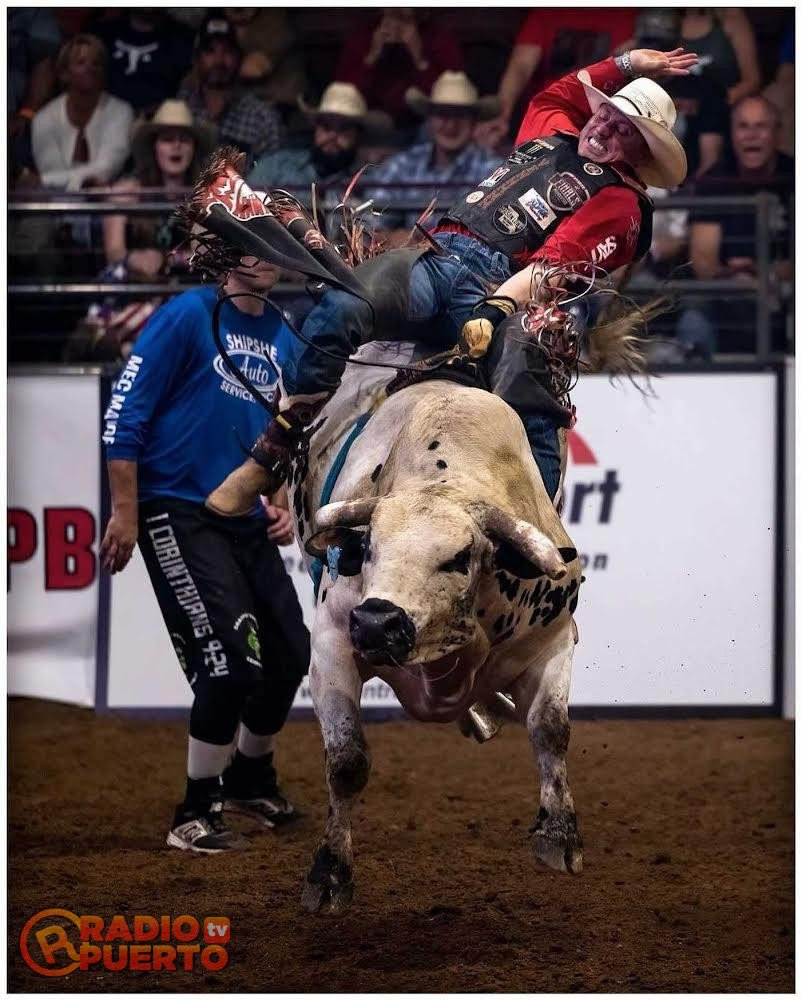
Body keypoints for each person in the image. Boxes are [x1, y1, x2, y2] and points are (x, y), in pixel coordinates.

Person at [194, 47, 697, 519]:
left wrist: (496, 309)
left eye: (623, 129)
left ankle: (538, 521)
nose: (604, 127)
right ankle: (273, 452)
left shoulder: (624, 204)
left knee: (527, 377)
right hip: (436, 258)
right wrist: (627, 64)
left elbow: (554, 266)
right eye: (605, 113)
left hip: (503, 287)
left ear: (641, 152)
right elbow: (560, 93)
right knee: (345, 305)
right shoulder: (554, 130)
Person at [100, 251, 310, 853]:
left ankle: (250, 778)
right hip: (177, 509)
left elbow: (284, 433)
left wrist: (281, 499)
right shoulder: (186, 315)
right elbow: (124, 418)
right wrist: (124, 512)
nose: (265, 256)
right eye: (251, 243)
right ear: (224, 252)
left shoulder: (283, 332)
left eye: (273, 244)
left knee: (290, 653)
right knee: (228, 666)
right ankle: (194, 812)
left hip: (243, 513)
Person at [678, 95, 793, 356]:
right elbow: (703, 261)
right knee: (694, 315)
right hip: (725, 289)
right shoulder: (714, 181)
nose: (751, 135)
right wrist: (731, 275)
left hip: (784, 288)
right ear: (732, 134)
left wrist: (766, 275)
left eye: (760, 126)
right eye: (743, 126)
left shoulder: (793, 176)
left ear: (777, 133)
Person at [367, 71, 503, 240]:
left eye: (460, 115)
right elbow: (369, 223)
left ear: (474, 121)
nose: (451, 125)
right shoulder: (403, 164)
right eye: (442, 114)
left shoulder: (494, 171)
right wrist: (394, 238)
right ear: (429, 119)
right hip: (406, 254)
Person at [478, 9, 637, 148]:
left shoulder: (629, 16)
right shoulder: (549, 12)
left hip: (601, 120)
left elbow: (626, 69)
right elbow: (521, 66)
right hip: (550, 115)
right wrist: (502, 112)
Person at [102, 99, 216, 276]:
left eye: (184, 140)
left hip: (189, 283)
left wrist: (166, 259)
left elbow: (207, 254)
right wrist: (134, 259)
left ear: (193, 149)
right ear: (154, 147)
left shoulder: (208, 196)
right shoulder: (125, 192)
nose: (176, 146)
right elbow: (114, 252)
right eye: (168, 139)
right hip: (136, 281)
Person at [247, 82, 387, 200]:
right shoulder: (276, 166)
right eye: (326, 126)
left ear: (358, 134)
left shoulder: (372, 180)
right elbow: (246, 208)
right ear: (315, 128)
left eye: (344, 128)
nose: (332, 135)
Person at [31, 34, 134, 192]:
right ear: (64, 74)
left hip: (110, 198)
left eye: (96, 63)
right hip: (57, 201)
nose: (90, 68)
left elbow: (106, 169)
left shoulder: (121, 112)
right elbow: (52, 171)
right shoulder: (44, 118)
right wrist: (75, 182)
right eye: (81, 62)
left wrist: (42, 180)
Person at [178, 13, 283, 163]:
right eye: (210, 51)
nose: (219, 61)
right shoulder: (181, 108)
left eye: (227, 51)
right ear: (196, 59)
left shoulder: (262, 117)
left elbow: (275, 172)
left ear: (239, 58)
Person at [335, 9, 464, 130]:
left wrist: (419, 58)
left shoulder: (437, 36)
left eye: (403, 18)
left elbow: (453, 96)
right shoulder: (363, 36)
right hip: (377, 124)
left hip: (424, 121)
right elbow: (343, 96)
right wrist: (372, 56)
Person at [89, 10, 194, 115]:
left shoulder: (185, 39)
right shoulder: (100, 33)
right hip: (100, 116)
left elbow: (188, 94)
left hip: (161, 120)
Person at [223, 8, 307, 111]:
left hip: (288, 105)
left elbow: (255, 69)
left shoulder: (273, 17)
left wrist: (215, 68)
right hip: (245, 105)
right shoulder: (218, 18)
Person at [680, 9, 760, 107]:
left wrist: (714, 103)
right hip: (673, 105)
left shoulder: (731, 16)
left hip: (724, 103)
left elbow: (752, 81)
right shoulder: (664, 22)